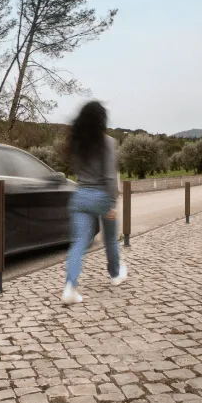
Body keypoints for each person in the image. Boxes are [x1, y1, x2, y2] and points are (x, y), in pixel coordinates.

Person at [62, 101, 126, 305]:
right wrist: (110, 204)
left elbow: (78, 171)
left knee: (79, 243)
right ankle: (115, 275)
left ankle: (70, 287)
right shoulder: (106, 142)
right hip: (101, 196)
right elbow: (109, 177)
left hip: (80, 196)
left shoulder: (75, 143)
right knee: (110, 240)